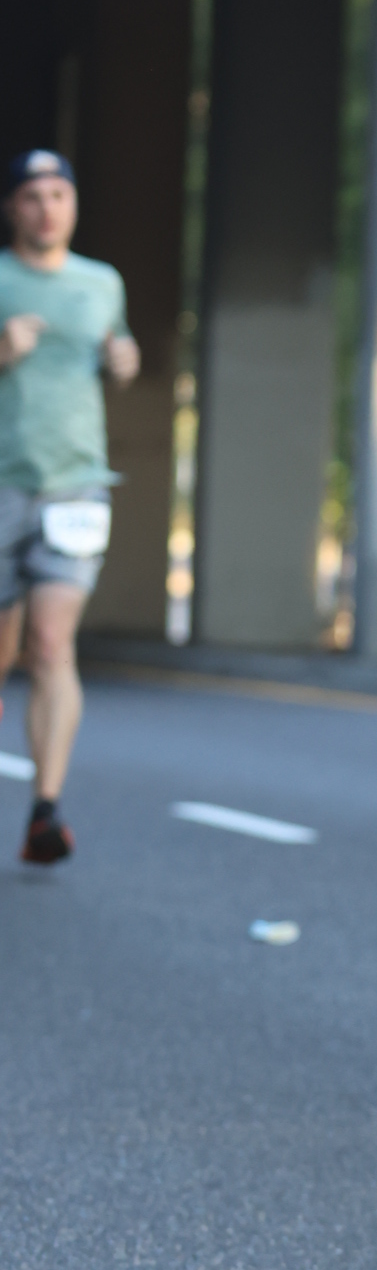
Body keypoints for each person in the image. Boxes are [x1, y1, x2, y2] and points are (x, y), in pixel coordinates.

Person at [0, 149, 138, 863]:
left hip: (75, 485)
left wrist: (125, 362)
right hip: (2, 483)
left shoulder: (101, 283)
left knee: (51, 645)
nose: (47, 208)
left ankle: (45, 812)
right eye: (32, 196)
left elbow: (117, 349)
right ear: (12, 208)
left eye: (59, 194)